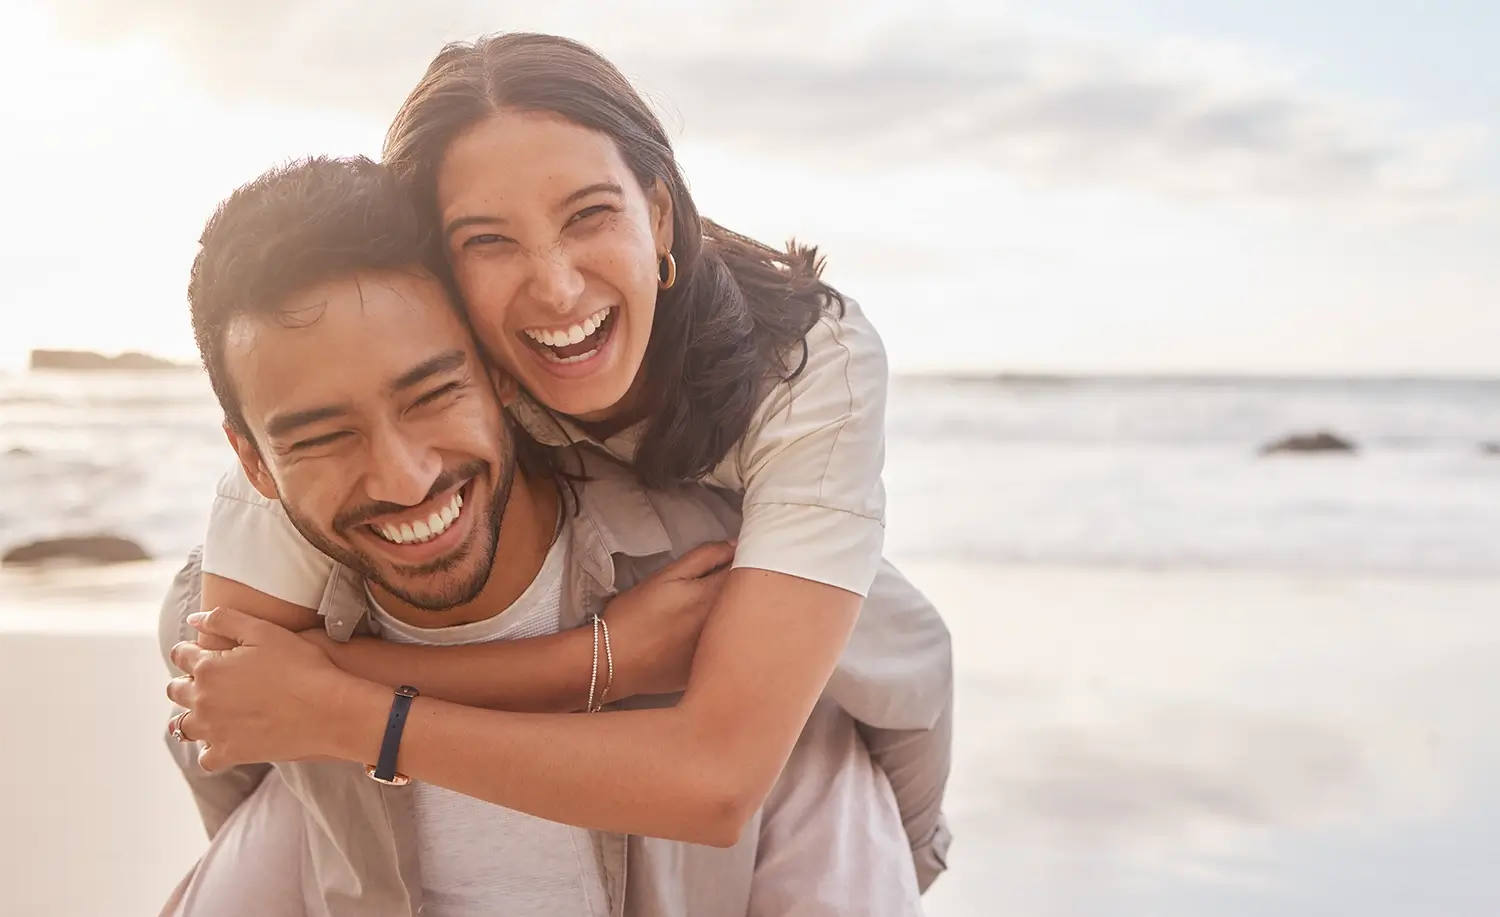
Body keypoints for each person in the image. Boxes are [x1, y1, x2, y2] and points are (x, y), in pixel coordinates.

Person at [184, 31, 953, 887]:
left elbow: (717, 775)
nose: (554, 287)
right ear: (436, 269)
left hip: (767, 588)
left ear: (659, 214)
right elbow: (237, 682)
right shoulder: (386, 385)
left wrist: (354, 712)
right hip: (576, 598)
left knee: (871, 657)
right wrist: (595, 658)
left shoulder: (808, 362)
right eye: (487, 240)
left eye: (590, 215)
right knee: (197, 612)